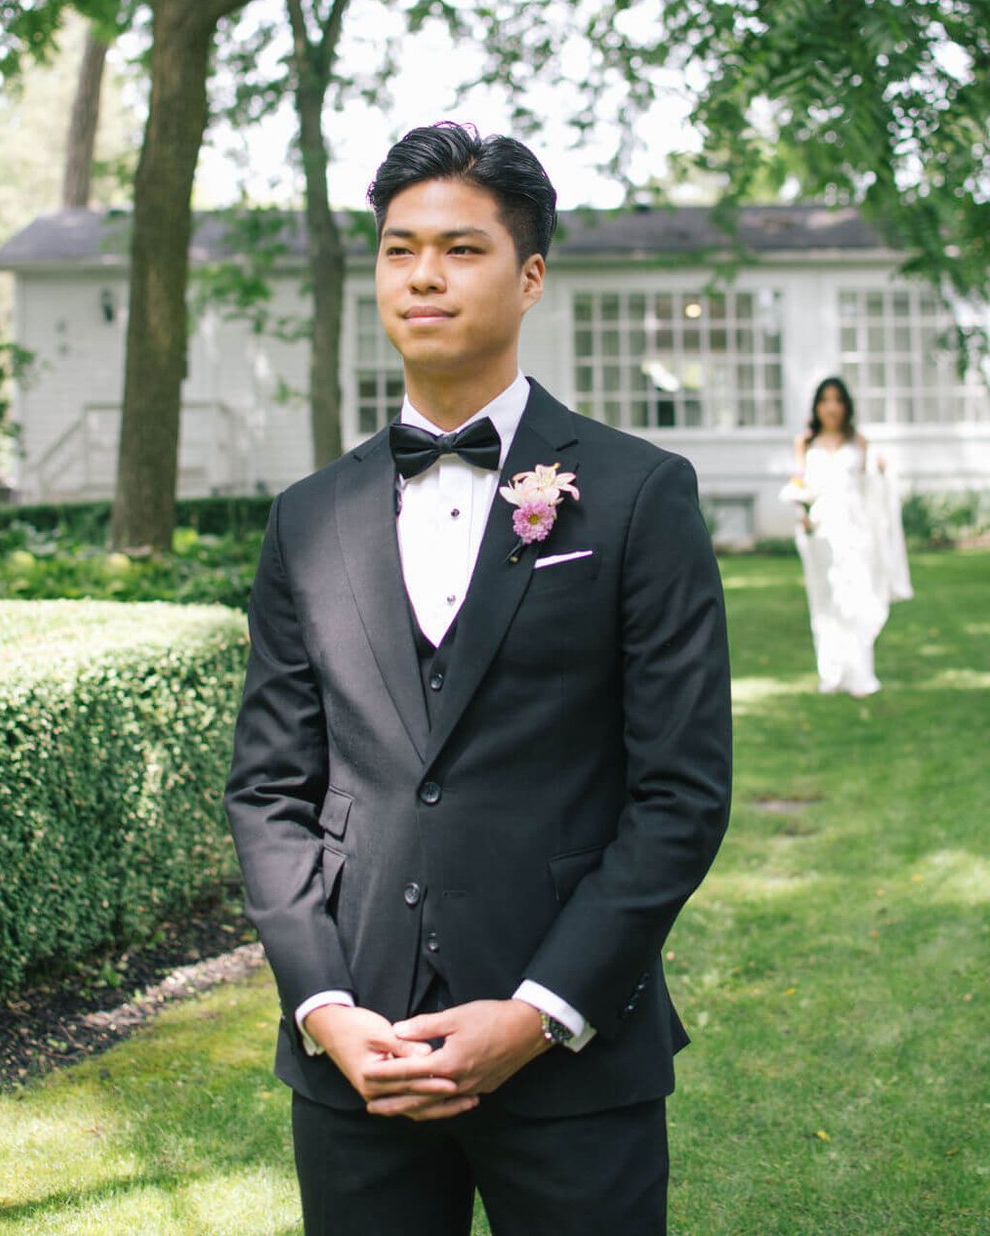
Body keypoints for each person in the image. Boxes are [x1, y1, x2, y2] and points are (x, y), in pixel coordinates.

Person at [224, 122, 732, 1236]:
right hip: (360, 1061)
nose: (423, 276)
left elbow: (680, 793)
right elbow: (269, 790)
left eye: (460, 249)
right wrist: (323, 1008)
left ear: (529, 273)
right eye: (399, 249)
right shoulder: (307, 518)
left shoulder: (641, 495)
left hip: (569, 1056)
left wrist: (541, 1012)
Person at [783, 376, 913, 698]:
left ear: (845, 406)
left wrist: (882, 472)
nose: (831, 407)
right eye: (825, 400)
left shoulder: (859, 442)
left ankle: (860, 672)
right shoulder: (805, 443)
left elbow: (870, 489)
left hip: (856, 530)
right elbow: (799, 484)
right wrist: (803, 514)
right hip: (821, 532)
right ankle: (831, 671)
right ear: (817, 406)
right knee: (826, 601)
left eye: (837, 400)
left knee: (856, 599)